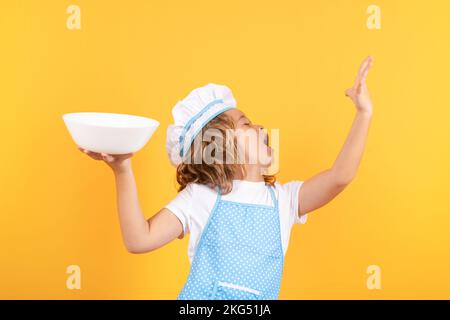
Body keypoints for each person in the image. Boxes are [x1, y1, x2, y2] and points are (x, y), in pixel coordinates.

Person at [79, 56, 374, 299]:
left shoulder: (285, 201)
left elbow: (340, 176)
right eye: (246, 123)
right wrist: (122, 169)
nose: (260, 126)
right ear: (219, 147)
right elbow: (138, 239)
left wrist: (363, 114)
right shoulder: (199, 198)